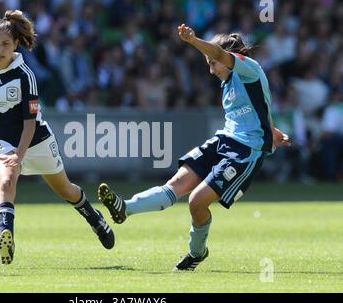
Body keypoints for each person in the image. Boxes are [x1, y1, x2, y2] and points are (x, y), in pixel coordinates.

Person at [98, 24, 291, 271]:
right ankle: (125, 208)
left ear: (227, 56)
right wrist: (273, 131)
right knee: (175, 185)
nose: (211, 70)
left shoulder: (249, 68)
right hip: (224, 141)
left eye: (212, 63)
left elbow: (223, 57)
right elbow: (260, 108)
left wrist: (192, 40)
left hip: (245, 152)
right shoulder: (229, 81)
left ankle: (196, 253)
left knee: (196, 202)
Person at [0, 10, 114, 265]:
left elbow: (29, 122)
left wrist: (21, 154)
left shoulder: (26, 76)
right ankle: (7, 236)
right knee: (6, 182)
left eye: (5, 44)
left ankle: (95, 218)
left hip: (35, 141)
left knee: (66, 190)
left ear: (16, 44)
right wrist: (10, 153)